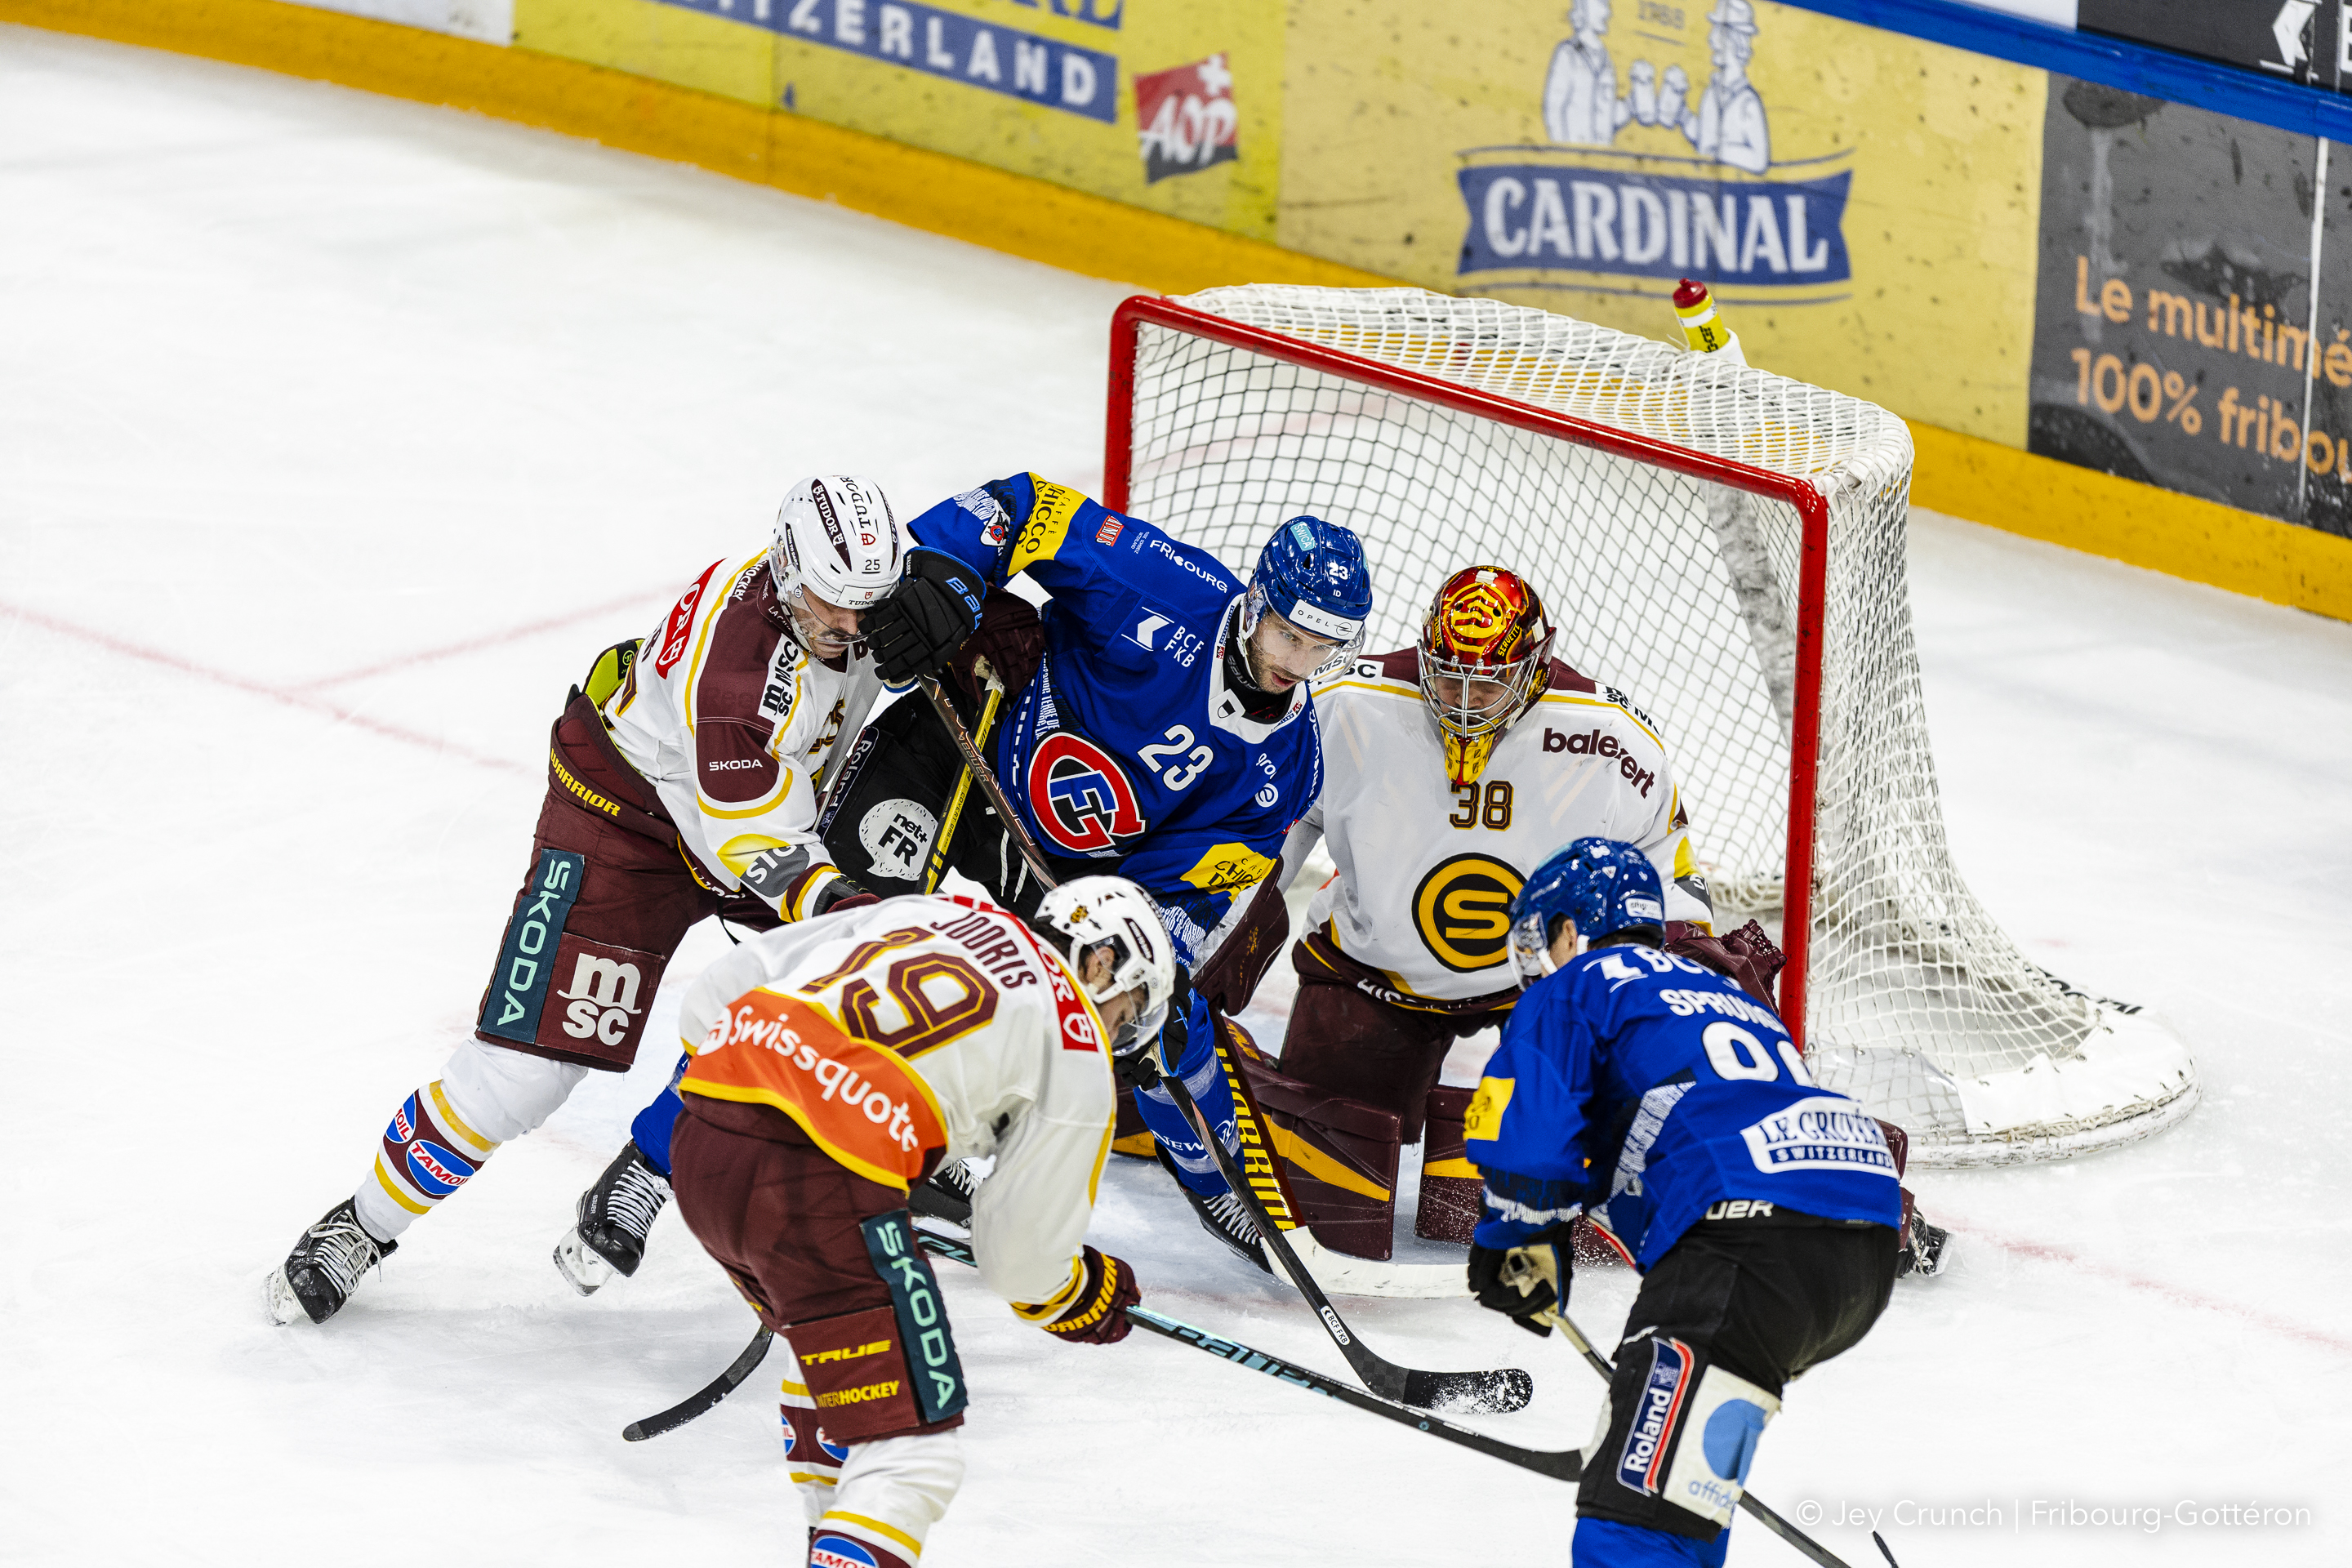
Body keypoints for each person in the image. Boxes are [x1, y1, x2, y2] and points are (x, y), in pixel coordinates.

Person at [589, 474, 1374, 1277]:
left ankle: (1223, 1191)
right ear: (1255, 603)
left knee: (1152, 1019)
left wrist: (1140, 967)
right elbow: (1027, 506)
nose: (1298, 663)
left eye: (1323, 649)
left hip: (1059, 871)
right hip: (953, 752)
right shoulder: (1162, 585)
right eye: (1289, 636)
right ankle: (649, 1163)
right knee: (831, 955)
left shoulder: (1288, 766)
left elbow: (1189, 890)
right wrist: (954, 571)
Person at [265, 474, 947, 1325]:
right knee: (523, 1076)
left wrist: (958, 593)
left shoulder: (855, 593)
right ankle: (362, 1225)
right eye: (831, 604)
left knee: (806, 1004)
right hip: (629, 822)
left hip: (763, 807)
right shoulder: (736, 676)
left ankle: (649, 1165)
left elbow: (981, 538)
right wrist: (841, 910)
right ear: (785, 570)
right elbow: (754, 843)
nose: (851, 626)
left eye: (867, 604)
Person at [1215, 565, 1726, 1262]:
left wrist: (1684, 968)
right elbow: (1273, 824)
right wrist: (1217, 924)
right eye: (1448, 678)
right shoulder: (1346, 704)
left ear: (1536, 667)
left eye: (1486, 684)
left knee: (1526, 1197)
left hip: (1535, 992)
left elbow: (1666, 860)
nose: (1462, 702)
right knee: (1326, 1195)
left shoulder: (1610, 736)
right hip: (1370, 973)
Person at [667, 877, 1169, 1568]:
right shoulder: (1076, 1039)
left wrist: (793, 1101)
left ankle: (828, 1539)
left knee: (827, 1355)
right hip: (821, 1183)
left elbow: (720, 990)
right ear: (1102, 961)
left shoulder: (939, 912)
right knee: (913, 1457)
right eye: (1129, 1009)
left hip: (703, 1142)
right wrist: (1079, 1294)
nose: (1116, 1029)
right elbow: (1021, 1260)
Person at [1466, 838, 1901, 1566]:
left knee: (1632, 1529)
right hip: (1860, 1247)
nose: (1535, 964)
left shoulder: (1578, 984)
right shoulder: (1721, 992)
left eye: (1539, 941)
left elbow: (1531, 1136)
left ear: (1569, 930)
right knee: (1673, 1500)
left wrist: (1513, 1237)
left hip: (1749, 1248)